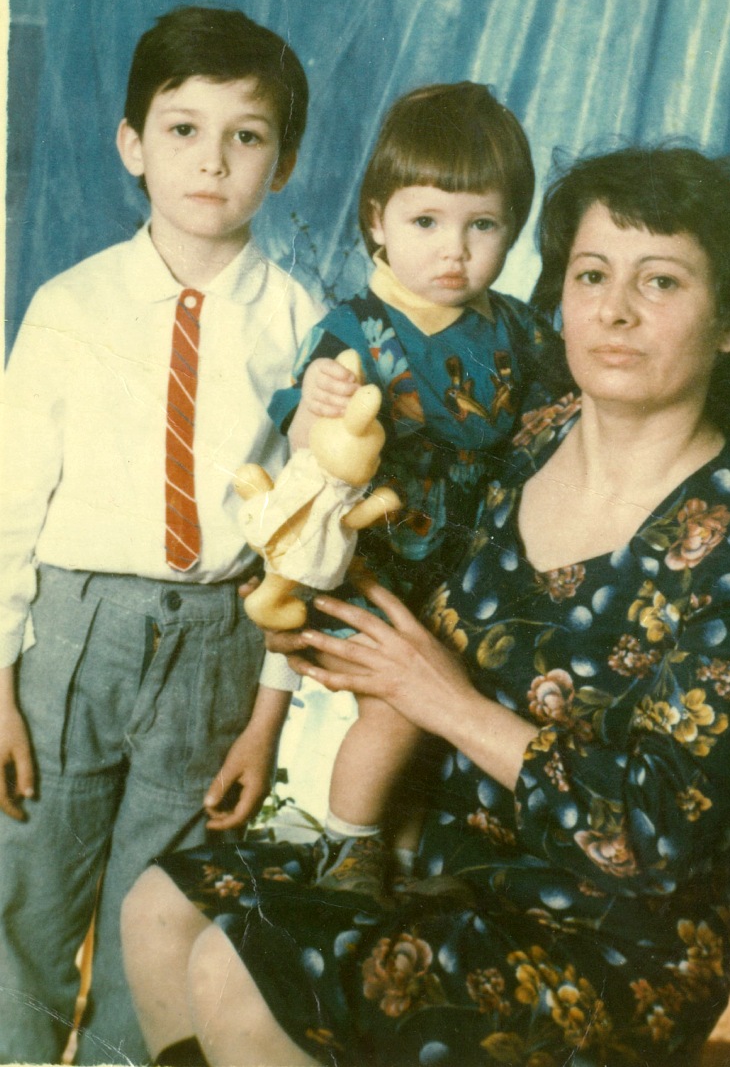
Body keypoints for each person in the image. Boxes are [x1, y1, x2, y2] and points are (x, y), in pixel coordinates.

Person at [122, 144, 730, 1067]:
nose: (615, 309)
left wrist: (442, 698)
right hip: (437, 849)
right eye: (592, 274)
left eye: (661, 281)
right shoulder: (530, 436)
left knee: (242, 965)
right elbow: (413, 607)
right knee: (160, 911)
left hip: (611, 928)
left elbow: (657, 834)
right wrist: (319, 610)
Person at [0, 6, 322, 1065]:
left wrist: (269, 710)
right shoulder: (70, 305)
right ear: (132, 143)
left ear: (283, 163)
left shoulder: (303, 325)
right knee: (24, 897)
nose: (213, 161)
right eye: (183, 129)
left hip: (216, 646)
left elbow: (305, 541)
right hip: (68, 638)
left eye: (247, 135)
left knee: (159, 912)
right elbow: (8, 502)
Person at [261, 82, 553, 895]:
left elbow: (563, 417)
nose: (454, 250)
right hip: (378, 567)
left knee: (452, 720)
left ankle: (405, 853)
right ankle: (348, 845)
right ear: (378, 221)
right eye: (426, 222)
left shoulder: (518, 330)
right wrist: (318, 407)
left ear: (512, 230)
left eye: (482, 226)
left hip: (474, 570)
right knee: (396, 708)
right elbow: (304, 443)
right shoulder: (353, 329)